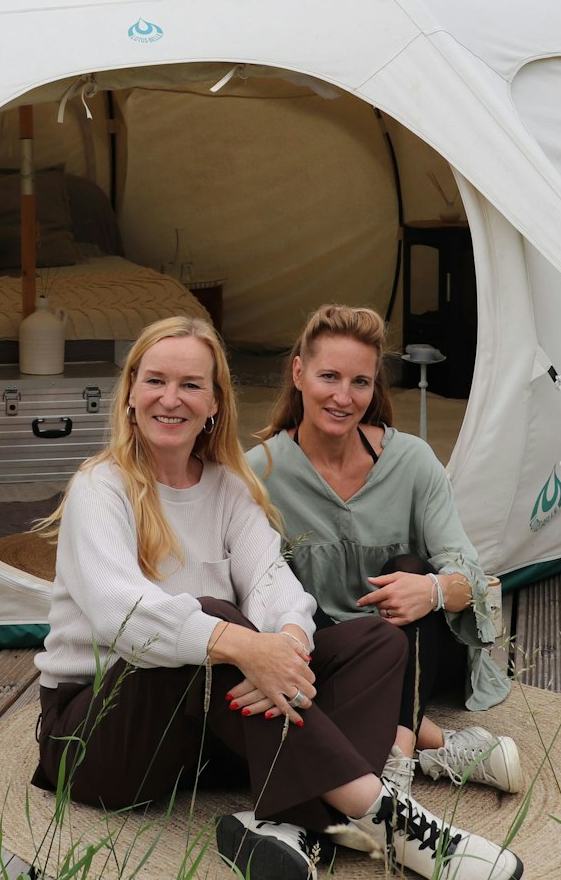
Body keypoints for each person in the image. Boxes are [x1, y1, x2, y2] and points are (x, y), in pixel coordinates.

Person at [33, 316, 523, 880]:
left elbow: (272, 582)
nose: (171, 399)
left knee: (375, 641)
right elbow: (120, 615)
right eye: (156, 381)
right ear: (131, 394)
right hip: (97, 738)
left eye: (191, 384)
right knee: (214, 624)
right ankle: (388, 818)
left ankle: (286, 825)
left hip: (200, 740)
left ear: (215, 401)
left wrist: (288, 642)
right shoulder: (102, 486)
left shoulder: (230, 485)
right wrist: (243, 644)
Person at [247, 304, 523, 797]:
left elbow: (473, 580)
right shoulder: (260, 472)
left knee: (412, 568)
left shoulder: (411, 461)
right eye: (328, 376)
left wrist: (433, 591)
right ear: (298, 372)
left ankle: (394, 755)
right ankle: (435, 742)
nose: (342, 396)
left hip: (420, 651)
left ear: (375, 388)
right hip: (326, 657)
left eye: (360, 382)